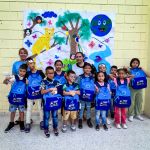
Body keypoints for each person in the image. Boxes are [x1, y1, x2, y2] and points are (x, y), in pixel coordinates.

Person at [3, 64, 28, 133]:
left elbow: (27, 89)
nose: (22, 73)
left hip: (22, 98)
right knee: (12, 111)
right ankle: (11, 123)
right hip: (13, 97)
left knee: (21, 111)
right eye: (20, 71)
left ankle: (22, 124)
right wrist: (6, 79)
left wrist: (27, 84)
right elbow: (5, 83)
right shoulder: (14, 77)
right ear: (18, 70)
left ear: (26, 72)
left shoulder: (26, 80)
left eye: (24, 71)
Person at [25, 58, 45, 133]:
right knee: (29, 108)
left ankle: (42, 121)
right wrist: (26, 82)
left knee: (40, 108)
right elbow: (24, 82)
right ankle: (27, 122)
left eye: (32, 63)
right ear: (28, 65)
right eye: (29, 64)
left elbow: (44, 81)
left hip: (39, 93)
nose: (31, 65)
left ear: (34, 63)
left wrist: (42, 87)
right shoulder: (27, 73)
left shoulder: (40, 72)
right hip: (30, 94)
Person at [41, 66, 62, 137]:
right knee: (46, 116)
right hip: (46, 102)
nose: (51, 75)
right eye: (49, 73)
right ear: (46, 74)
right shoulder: (43, 82)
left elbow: (61, 90)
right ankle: (46, 129)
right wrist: (49, 89)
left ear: (54, 73)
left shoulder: (56, 81)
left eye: (52, 73)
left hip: (55, 102)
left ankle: (55, 128)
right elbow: (42, 92)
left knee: (55, 116)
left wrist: (56, 89)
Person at [78, 63, 95, 129]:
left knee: (88, 108)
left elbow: (94, 86)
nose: (87, 69)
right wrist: (78, 92)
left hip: (89, 96)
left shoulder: (92, 77)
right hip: (82, 96)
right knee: (81, 108)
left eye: (89, 68)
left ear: (91, 69)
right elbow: (77, 85)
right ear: (83, 69)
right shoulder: (80, 77)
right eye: (86, 68)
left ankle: (88, 120)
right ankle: (80, 120)